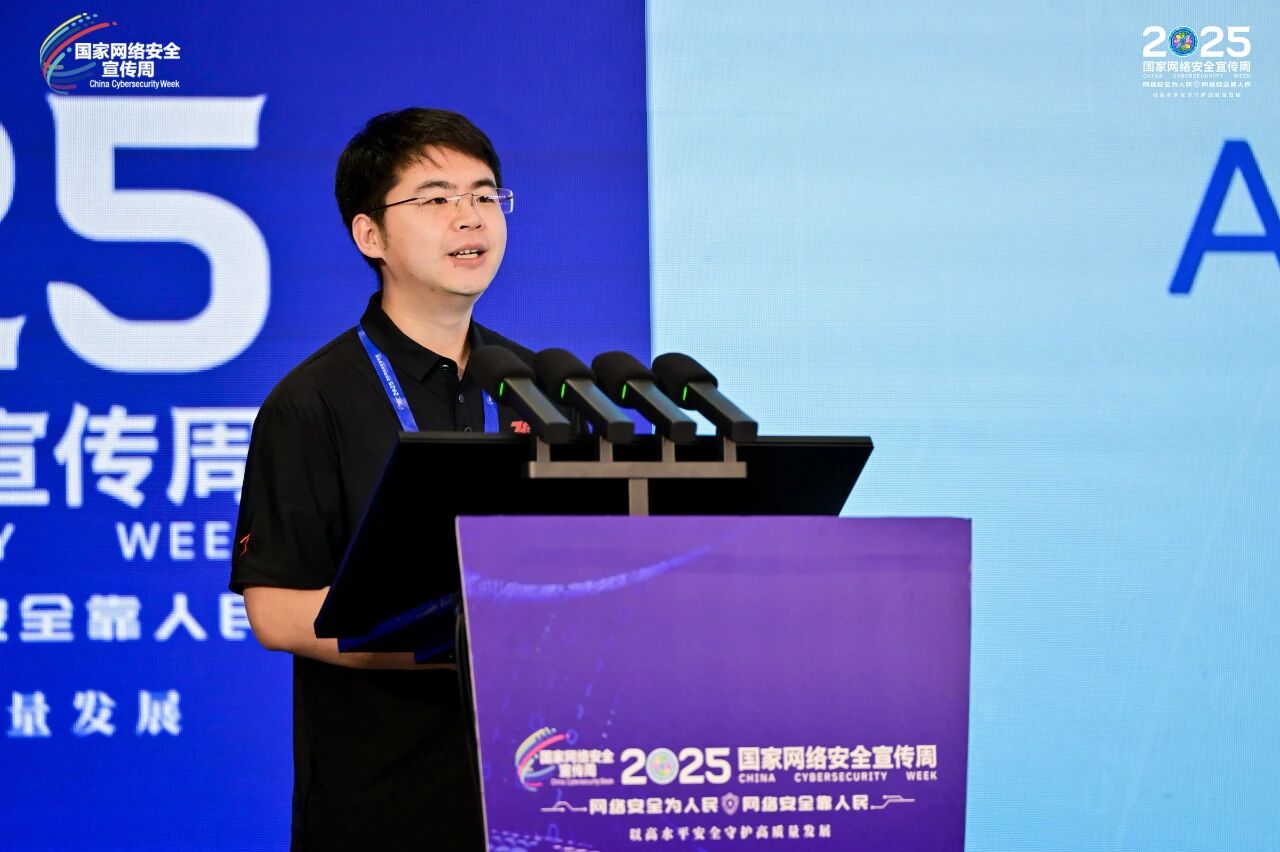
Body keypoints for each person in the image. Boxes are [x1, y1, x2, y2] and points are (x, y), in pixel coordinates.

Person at [230, 108, 549, 850]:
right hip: (382, 804)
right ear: (370, 235)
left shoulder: (537, 388)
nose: (470, 216)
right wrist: (460, 642)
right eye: (436, 199)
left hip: (537, 788)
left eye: (485, 194)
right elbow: (275, 611)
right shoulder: (312, 402)